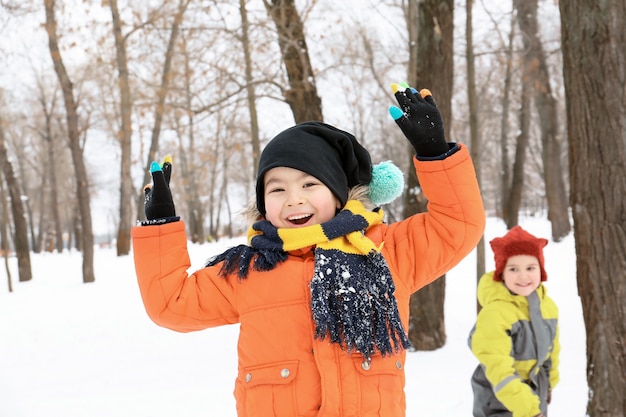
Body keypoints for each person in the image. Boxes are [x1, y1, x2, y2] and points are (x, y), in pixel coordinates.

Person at [132, 83, 485, 417]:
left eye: (309, 183)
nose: (294, 199)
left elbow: (457, 226)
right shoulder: (248, 271)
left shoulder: (386, 252)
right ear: (262, 203)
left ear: (337, 192)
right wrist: (161, 225)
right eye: (277, 189)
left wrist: (437, 155)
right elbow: (170, 303)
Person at [468, 226, 560, 417]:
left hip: (534, 398)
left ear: (541, 271)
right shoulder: (496, 313)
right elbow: (498, 368)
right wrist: (527, 408)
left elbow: (551, 351)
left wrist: (549, 383)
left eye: (530, 268)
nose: (523, 276)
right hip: (498, 400)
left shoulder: (548, 307)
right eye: (513, 269)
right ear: (502, 273)